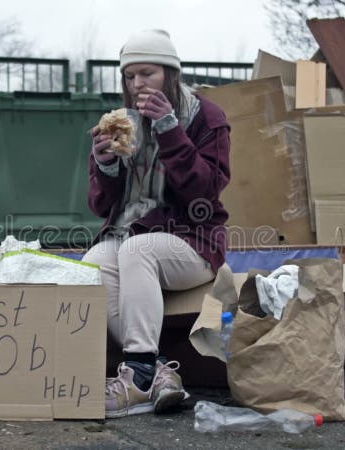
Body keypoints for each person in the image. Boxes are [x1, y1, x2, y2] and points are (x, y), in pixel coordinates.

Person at [81, 29, 231, 418]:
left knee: (137, 248)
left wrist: (169, 128)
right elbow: (101, 205)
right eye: (129, 77)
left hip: (193, 240)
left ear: (170, 72)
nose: (136, 84)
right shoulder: (120, 122)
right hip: (130, 232)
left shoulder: (206, 118)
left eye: (146, 73)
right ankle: (155, 371)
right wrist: (105, 165)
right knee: (93, 262)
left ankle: (138, 377)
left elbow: (205, 192)